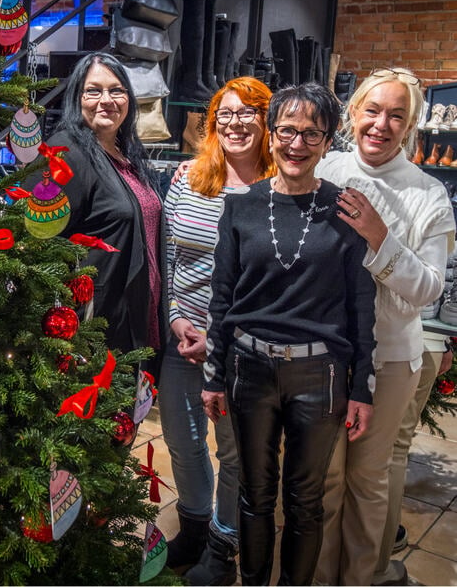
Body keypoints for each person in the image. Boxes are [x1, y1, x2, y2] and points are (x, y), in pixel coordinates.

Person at [202, 82, 377, 585]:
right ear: (271, 134)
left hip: (318, 375)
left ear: (327, 142)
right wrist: (213, 376)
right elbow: (223, 297)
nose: (297, 144)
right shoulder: (240, 207)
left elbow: (360, 306)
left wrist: (361, 386)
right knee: (254, 494)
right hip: (248, 370)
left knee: (305, 499)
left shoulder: (347, 211)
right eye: (287, 131)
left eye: (311, 134)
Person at [314, 67, 456, 586]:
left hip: (391, 358)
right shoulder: (324, 167)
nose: (382, 124)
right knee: (326, 479)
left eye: (397, 115)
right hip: (324, 352)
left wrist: (379, 237)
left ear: (411, 125)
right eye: (372, 111)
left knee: (369, 479)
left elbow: (429, 289)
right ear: (353, 114)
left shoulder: (428, 193)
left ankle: (362, 577)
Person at [160, 76, 275, 584]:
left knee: (231, 451)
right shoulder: (188, 177)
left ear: (266, 121)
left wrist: (219, 337)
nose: (235, 123)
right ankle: (193, 522)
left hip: (239, 347)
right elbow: (166, 255)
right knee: (182, 441)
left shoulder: (279, 187)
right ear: (212, 124)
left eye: (248, 113)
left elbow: (276, 282)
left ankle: (221, 546)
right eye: (225, 114)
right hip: (181, 337)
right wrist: (174, 317)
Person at [29, 51, 164, 355]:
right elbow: (36, 239)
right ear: (77, 97)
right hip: (94, 327)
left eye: (116, 90)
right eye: (94, 90)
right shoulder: (64, 153)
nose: (106, 100)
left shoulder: (126, 154)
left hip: (135, 319)